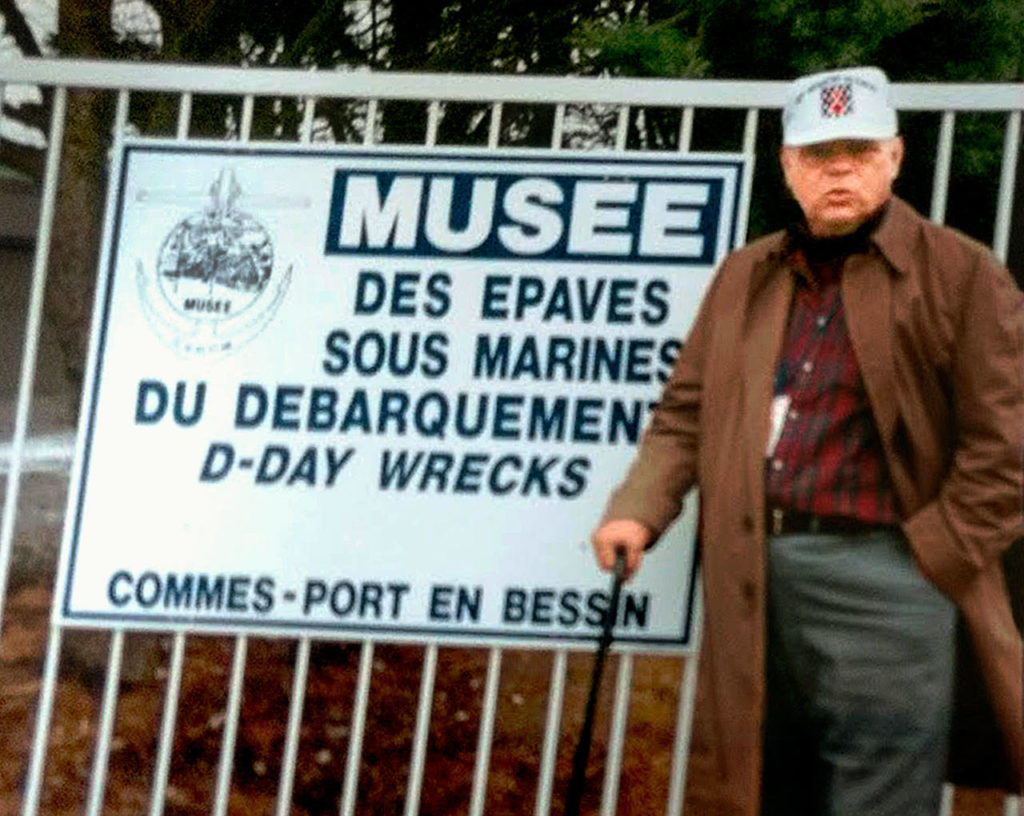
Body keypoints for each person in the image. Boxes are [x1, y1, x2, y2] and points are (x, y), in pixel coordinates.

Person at [591, 66, 1024, 816]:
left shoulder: (962, 275)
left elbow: (1008, 445)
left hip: (890, 573)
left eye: (858, 149)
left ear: (894, 156)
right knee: (772, 786)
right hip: (756, 569)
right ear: (788, 167)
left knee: (877, 793)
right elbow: (686, 411)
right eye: (819, 153)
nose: (839, 169)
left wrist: (935, 556)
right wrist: (638, 508)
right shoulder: (744, 276)